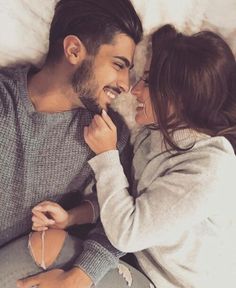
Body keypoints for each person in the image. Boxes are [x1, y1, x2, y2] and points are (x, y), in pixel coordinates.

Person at [0, 0, 152, 288]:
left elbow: (121, 219)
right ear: (73, 50)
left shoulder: (109, 132)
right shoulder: (4, 102)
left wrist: (80, 275)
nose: (125, 84)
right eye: (118, 65)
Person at [82, 24, 236, 287]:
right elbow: (128, 200)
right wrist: (77, 214)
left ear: (183, 97)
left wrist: (107, 155)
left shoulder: (210, 170)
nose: (134, 90)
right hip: (133, 260)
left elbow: (126, 232)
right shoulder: (150, 135)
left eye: (149, 81)